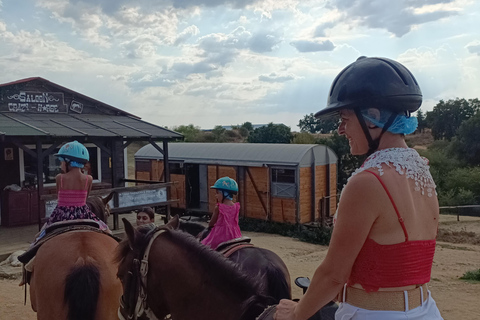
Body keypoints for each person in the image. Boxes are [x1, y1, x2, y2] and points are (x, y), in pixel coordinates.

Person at [275, 57, 443, 320]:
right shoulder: (422, 171)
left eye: (344, 118)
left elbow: (333, 275)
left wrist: (296, 313)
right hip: (425, 310)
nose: (341, 130)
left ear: (373, 118)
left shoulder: (367, 182)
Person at [201, 176, 242, 250]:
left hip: (220, 235)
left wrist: (210, 224)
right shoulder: (236, 206)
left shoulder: (219, 207)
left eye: (217, 193)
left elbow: (212, 223)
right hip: (235, 234)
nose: (216, 195)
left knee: (203, 248)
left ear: (224, 193)